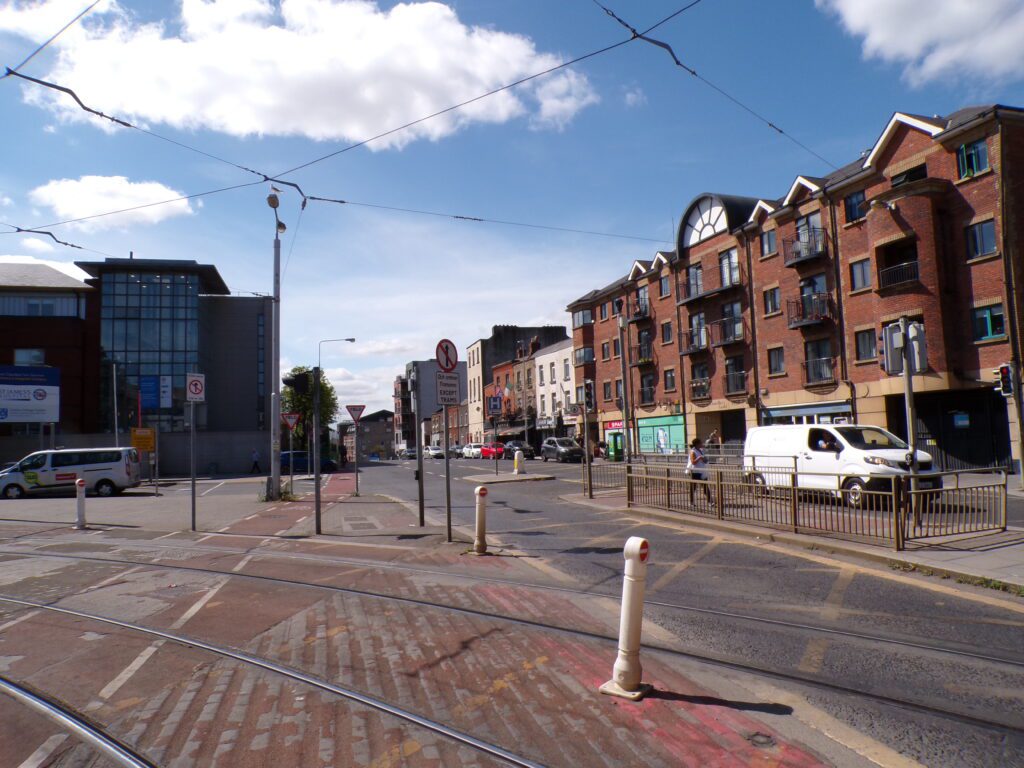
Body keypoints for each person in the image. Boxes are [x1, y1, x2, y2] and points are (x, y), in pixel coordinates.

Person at [686, 437, 713, 504]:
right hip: (695, 472)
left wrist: (705, 460)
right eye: (700, 442)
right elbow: (693, 462)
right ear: (697, 444)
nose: (702, 443)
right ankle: (691, 502)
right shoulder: (693, 451)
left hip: (702, 471)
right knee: (693, 487)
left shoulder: (700, 450)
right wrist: (700, 458)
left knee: (705, 486)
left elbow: (703, 460)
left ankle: (710, 502)